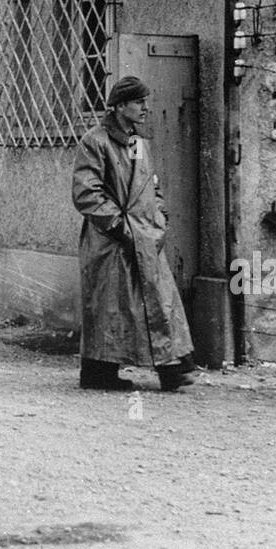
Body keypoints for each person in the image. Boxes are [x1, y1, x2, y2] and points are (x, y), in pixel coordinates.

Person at [72, 76, 197, 392]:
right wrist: (118, 227)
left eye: (145, 101)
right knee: (110, 307)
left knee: (161, 300)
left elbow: (152, 187)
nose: (145, 108)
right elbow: (87, 193)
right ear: (119, 106)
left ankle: (174, 367)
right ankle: (99, 373)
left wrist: (160, 218)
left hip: (146, 236)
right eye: (139, 102)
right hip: (110, 239)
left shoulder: (139, 143)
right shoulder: (94, 141)